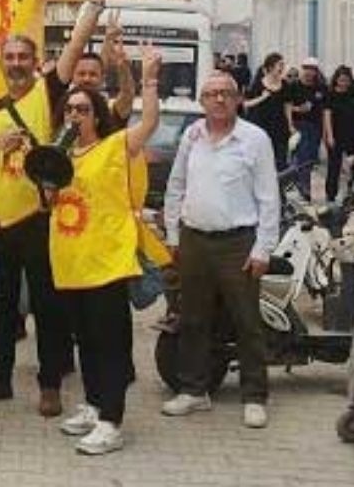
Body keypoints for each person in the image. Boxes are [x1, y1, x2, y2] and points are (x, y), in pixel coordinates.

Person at [50, 47, 167, 456]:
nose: (75, 116)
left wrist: (148, 78)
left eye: (82, 110)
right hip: (71, 265)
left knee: (109, 343)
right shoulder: (59, 155)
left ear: (96, 115)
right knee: (84, 341)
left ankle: (111, 421)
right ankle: (94, 403)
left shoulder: (116, 144)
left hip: (108, 264)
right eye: (69, 110)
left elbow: (149, 122)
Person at [161, 71, 281, 430]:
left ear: (238, 98)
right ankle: (194, 390)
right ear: (201, 101)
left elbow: (268, 197)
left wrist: (263, 248)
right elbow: (176, 185)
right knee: (193, 319)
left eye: (225, 94)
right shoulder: (192, 136)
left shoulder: (255, 139)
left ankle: (255, 396)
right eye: (211, 94)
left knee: (246, 321)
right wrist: (172, 233)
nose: (218, 100)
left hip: (237, 244)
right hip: (194, 239)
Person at [0, 32, 74, 418]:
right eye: (9, 57)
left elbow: (72, 53)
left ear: (35, 62)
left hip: (39, 216)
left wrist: (94, 6)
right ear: (1, 62)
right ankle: (0, 377)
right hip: (1, 219)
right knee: (2, 304)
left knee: (48, 306)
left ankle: (50, 385)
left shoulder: (45, 94)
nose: (15, 63)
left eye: (22, 57)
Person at [243, 53, 295, 173]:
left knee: (280, 159)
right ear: (271, 67)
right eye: (279, 65)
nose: (282, 68)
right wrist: (262, 97)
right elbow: (246, 104)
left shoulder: (285, 85)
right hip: (260, 125)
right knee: (260, 158)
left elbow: (287, 106)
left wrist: (290, 124)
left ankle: (278, 186)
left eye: (283, 65)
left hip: (279, 126)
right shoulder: (257, 83)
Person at [323, 66, 354, 202]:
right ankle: (330, 194)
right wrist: (329, 135)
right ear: (336, 80)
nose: (343, 83)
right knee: (334, 165)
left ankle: (352, 191)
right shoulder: (331, 94)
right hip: (336, 133)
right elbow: (327, 115)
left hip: (352, 133)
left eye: (346, 80)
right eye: (341, 80)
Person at [289, 58, 328, 197]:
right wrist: (297, 109)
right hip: (300, 124)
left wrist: (325, 131)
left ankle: (300, 180)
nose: (309, 72)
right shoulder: (294, 86)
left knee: (311, 157)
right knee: (303, 155)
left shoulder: (321, 88)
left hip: (316, 125)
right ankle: (304, 187)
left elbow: (325, 110)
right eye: (306, 69)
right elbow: (287, 107)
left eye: (312, 69)